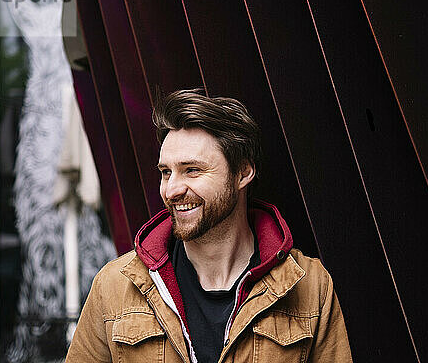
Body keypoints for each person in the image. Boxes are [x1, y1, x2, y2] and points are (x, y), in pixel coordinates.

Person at [65, 89, 352, 362]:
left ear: (243, 172)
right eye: (166, 172)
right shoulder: (116, 285)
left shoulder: (309, 285)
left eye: (192, 170)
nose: (172, 189)